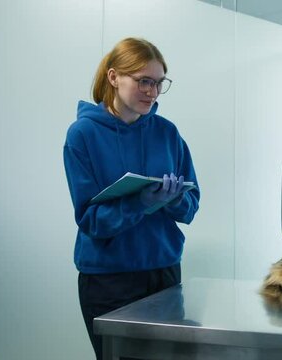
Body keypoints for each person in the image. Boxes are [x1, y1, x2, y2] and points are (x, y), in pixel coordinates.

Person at [63, 37, 200, 359]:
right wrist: (141, 202)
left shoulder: (167, 132)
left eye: (158, 83)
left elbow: (192, 207)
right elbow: (90, 221)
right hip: (109, 279)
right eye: (143, 81)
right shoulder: (82, 134)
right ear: (114, 77)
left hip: (164, 272)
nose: (152, 92)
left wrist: (171, 198)